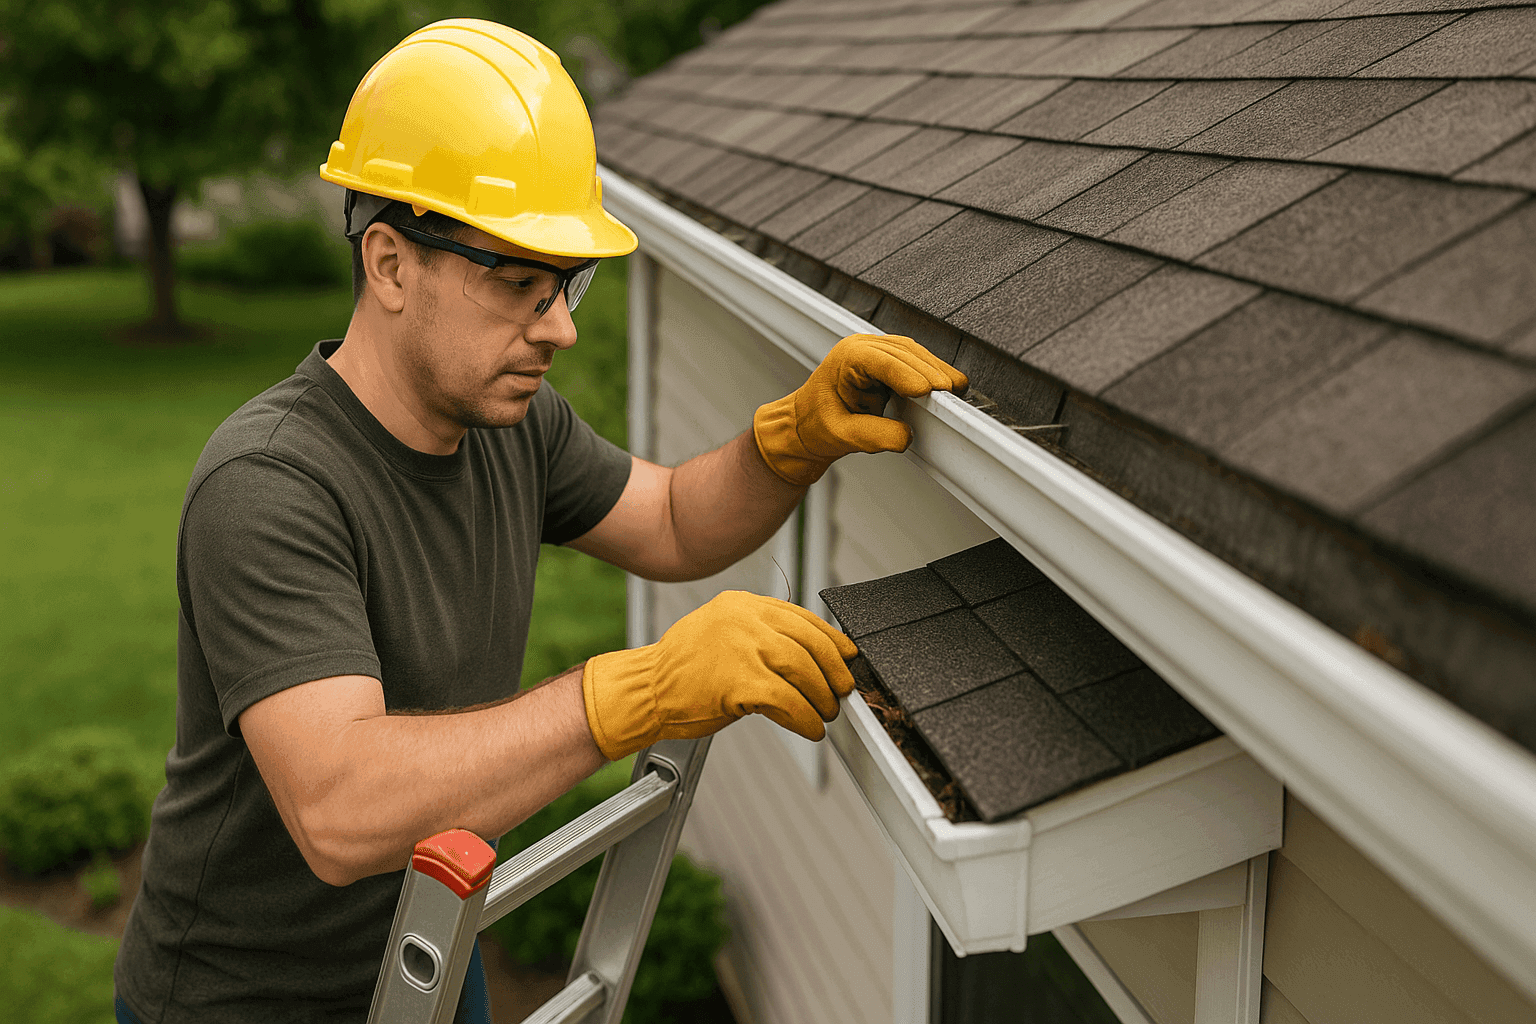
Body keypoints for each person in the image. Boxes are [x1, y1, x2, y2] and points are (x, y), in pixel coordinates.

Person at [112, 19, 967, 1024]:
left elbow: (675, 520)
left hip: (431, 945)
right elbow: (339, 809)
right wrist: (636, 693)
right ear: (389, 265)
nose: (559, 326)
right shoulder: (270, 484)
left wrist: (790, 440)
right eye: (518, 283)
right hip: (245, 1003)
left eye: (566, 284)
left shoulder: (509, 425)